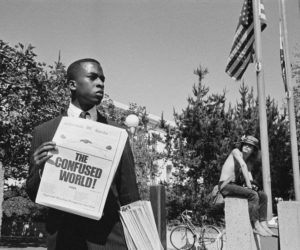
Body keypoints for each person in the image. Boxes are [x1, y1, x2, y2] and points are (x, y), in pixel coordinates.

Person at [26, 58, 140, 250]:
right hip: (63, 238)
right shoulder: (44, 132)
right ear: (72, 84)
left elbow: (129, 193)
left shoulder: (117, 133)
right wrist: (38, 168)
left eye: (102, 79)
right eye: (93, 77)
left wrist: (139, 237)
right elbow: (33, 193)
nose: (101, 83)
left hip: (109, 239)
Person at [218, 135, 275, 237]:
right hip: (225, 185)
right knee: (253, 195)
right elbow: (243, 166)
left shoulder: (248, 162)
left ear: (253, 150)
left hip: (234, 186)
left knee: (262, 195)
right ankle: (255, 225)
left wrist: (254, 186)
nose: (247, 147)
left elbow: (249, 175)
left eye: (250, 146)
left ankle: (263, 223)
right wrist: (249, 186)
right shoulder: (236, 152)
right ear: (242, 145)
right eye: (246, 144)